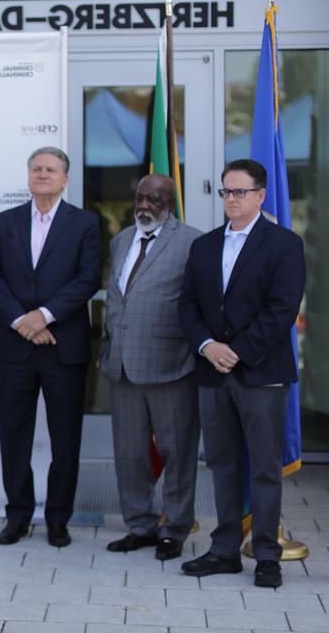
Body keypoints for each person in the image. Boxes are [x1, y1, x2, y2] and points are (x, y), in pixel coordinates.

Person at [178, 159, 305, 588]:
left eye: (240, 192)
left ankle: (266, 554)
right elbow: (188, 306)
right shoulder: (204, 246)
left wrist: (238, 351)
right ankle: (225, 550)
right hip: (213, 371)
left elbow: (282, 309)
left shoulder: (284, 245)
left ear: (260, 195)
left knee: (264, 468)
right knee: (222, 464)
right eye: (226, 192)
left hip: (261, 373)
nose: (231, 199)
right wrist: (208, 347)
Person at [0, 146, 101, 548]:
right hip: (16, 347)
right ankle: (17, 516)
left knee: (64, 437)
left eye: (51, 169)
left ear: (65, 179)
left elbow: (87, 279)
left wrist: (44, 316)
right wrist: (22, 322)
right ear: (28, 176)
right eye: (36, 168)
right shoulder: (5, 222)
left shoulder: (84, 223)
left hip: (63, 347)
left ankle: (57, 519)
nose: (43, 174)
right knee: (13, 434)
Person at [100, 174, 202, 561]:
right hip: (122, 366)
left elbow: (195, 302)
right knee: (129, 453)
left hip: (170, 365)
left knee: (177, 453)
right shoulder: (122, 240)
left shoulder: (192, 242)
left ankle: (174, 529)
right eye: (141, 198)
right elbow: (116, 299)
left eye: (154, 199)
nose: (145, 206)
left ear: (170, 204)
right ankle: (140, 525)